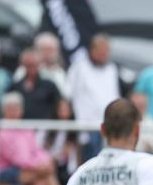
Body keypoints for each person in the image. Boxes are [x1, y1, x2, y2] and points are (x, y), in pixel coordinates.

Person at [0, 92, 61, 185]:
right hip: (9, 173)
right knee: (48, 176)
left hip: (30, 172)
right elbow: (16, 159)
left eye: (16, 108)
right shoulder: (1, 132)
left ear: (21, 110)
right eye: (11, 108)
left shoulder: (26, 129)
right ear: (4, 111)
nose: (14, 112)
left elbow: (37, 151)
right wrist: (40, 166)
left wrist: (46, 162)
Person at [66, 33, 123, 162]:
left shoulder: (112, 69)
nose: (104, 53)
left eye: (106, 50)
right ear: (91, 50)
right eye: (100, 50)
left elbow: (115, 96)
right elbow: (68, 94)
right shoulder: (79, 68)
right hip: (87, 127)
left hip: (109, 126)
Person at [9, 49, 61, 120]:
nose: (31, 68)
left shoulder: (49, 86)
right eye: (28, 65)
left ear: (39, 65)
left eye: (34, 65)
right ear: (23, 65)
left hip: (44, 127)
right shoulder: (16, 86)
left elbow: (59, 106)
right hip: (22, 128)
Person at [14, 33, 69, 98]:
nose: (48, 54)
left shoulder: (60, 72)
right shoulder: (24, 69)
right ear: (36, 50)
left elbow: (65, 95)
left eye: (51, 49)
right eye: (45, 49)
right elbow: (16, 90)